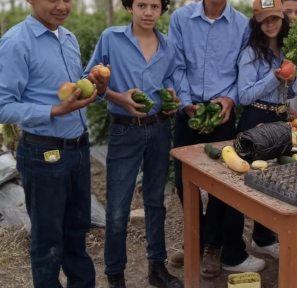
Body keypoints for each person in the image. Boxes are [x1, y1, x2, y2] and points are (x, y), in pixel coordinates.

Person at [0, 0, 108, 287]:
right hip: (43, 152)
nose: (62, 6)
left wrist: (97, 87)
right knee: (48, 239)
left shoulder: (68, 38)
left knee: (77, 231)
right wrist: (54, 111)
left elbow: (75, 91)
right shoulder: (16, 43)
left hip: (78, 150)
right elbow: (3, 106)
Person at [83, 0, 183, 287]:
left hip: (159, 129)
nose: (148, 12)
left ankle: (157, 268)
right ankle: (115, 275)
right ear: (129, 7)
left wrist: (172, 98)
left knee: (155, 203)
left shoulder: (168, 46)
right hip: (124, 131)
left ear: (163, 8)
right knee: (117, 209)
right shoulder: (111, 39)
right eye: (141, 5)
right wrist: (118, 98)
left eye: (154, 5)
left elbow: (171, 80)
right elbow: (88, 81)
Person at [168, 0, 265, 278]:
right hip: (189, 111)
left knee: (221, 185)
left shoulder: (242, 24)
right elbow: (176, 66)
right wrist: (186, 104)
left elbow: (243, 70)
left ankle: (211, 245)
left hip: (222, 113)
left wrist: (231, 100)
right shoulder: (181, 18)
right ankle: (195, 236)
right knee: (182, 180)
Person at [231, 0, 297, 269]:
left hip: (279, 116)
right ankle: (234, 249)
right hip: (256, 118)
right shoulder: (250, 53)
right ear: (257, 22)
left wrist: (292, 78)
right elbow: (244, 96)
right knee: (249, 181)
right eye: (264, 19)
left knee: (274, 180)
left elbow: (290, 92)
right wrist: (275, 76)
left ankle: (263, 237)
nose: (271, 24)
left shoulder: (287, 50)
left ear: (282, 19)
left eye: (275, 18)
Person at [283, 0, 297, 117]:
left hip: (295, 104)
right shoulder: (272, 40)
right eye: (287, 12)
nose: (293, 17)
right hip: (272, 110)